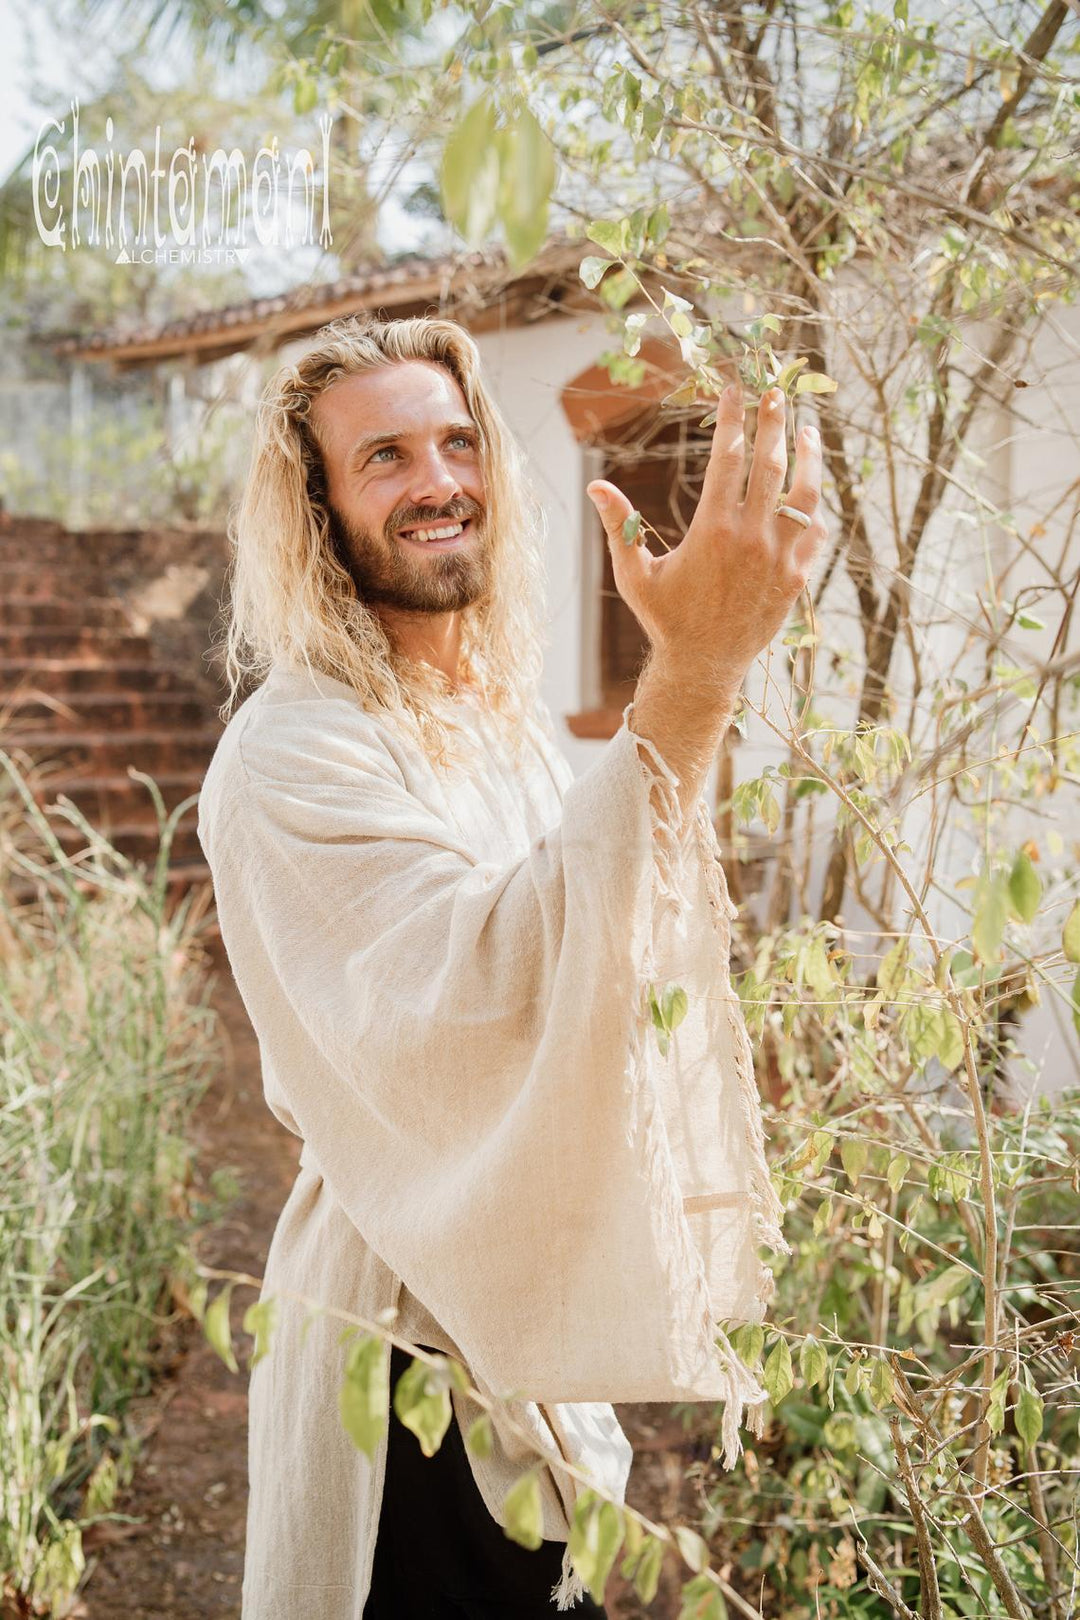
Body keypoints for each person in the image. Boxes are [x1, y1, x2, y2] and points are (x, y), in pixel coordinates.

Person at [196, 312, 826, 1620]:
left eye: (457, 440)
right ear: (315, 507)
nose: (439, 481)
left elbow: (613, 959)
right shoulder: (292, 755)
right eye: (384, 458)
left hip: (521, 1345)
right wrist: (695, 670)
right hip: (405, 1380)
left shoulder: (496, 726)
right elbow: (492, 998)